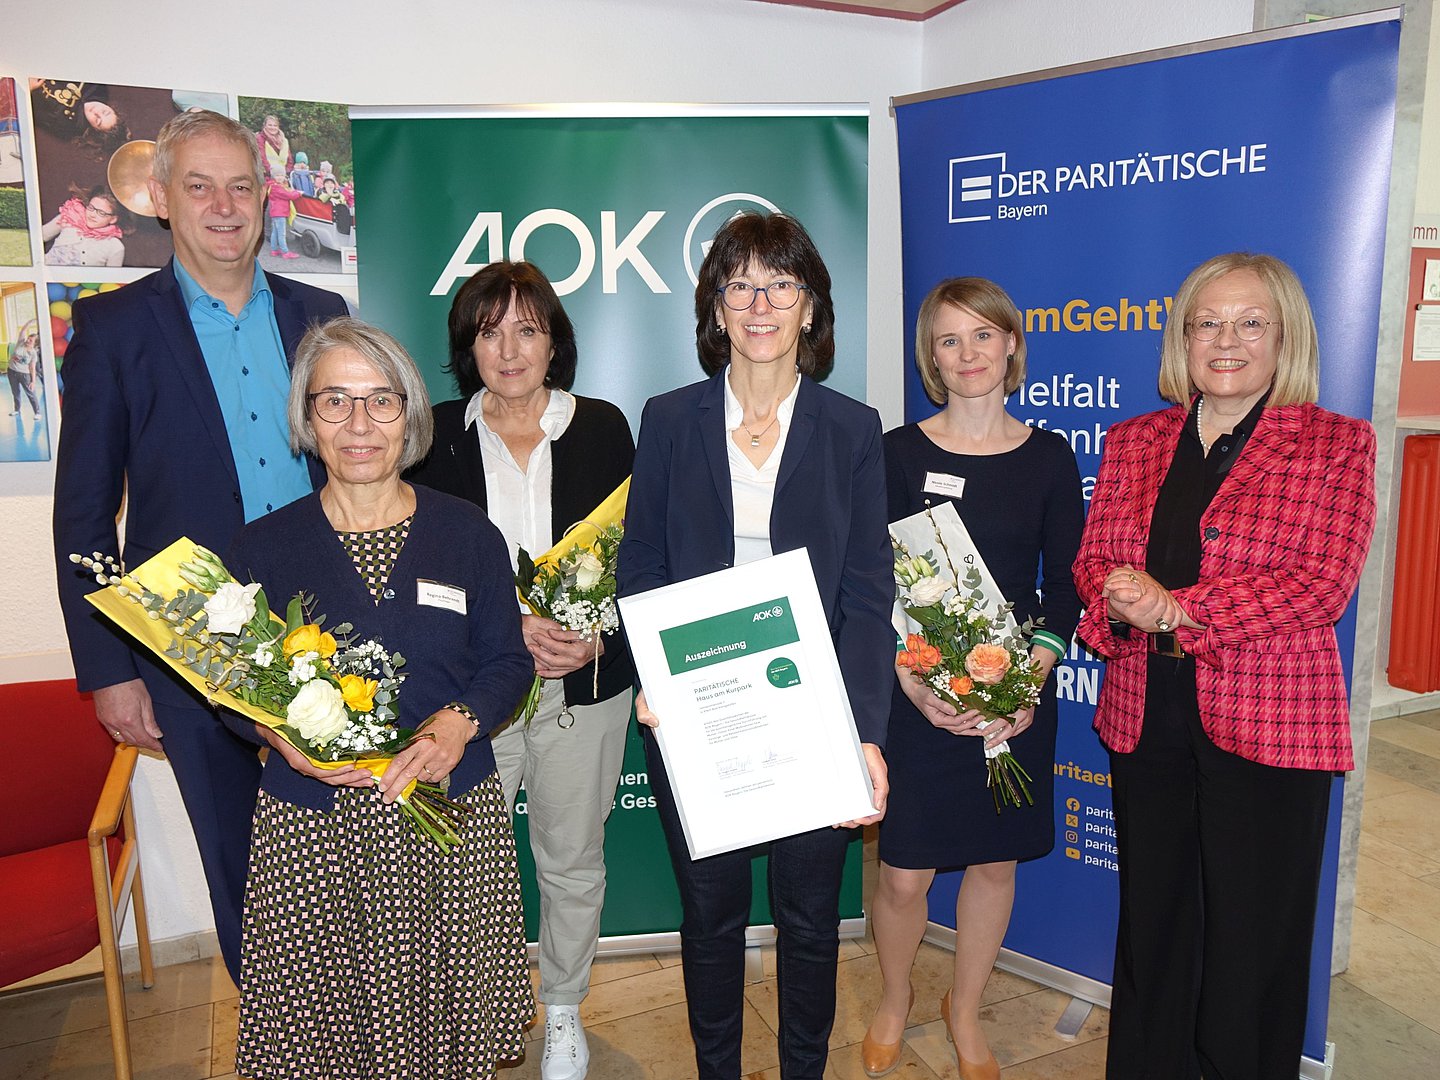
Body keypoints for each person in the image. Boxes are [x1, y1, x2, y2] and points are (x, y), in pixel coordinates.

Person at [52, 108, 348, 986]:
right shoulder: (113, 331)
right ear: (161, 199)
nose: (225, 206)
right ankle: (285, 1038)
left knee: (339, 863)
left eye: (241, 186)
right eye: (200, 186)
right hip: (188, 644)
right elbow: (83, 514)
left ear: (265, 200)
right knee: (242, 871)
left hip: (324, 629)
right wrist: (109, 669)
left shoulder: (320, 314)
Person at [1072, 252, 1377, 1080]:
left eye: (1250, 323)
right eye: (1207, 323)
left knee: (1252, 935)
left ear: (1287, 337)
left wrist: (1178, 609)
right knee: (1156, 923)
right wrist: (1116, 592)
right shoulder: (1135, 439)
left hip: (1271, 718)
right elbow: (1095, 558)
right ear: (1183, 338)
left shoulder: (1336, 444)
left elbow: (1322, 583)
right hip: (1148, 712)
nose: (1226, 340)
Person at [617, 210, 893, 1079]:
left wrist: (868, 733)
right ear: (715, 305)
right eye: (739, 284)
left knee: (811, 922)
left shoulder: (852, 428)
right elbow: (643, 562)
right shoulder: (667, 420)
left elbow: (865, 590)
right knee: (712, 919)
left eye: (780, 283)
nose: (760, 301)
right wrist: (650, 674)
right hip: (697, 714)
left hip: (813, 716)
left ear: (810, 306)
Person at [225, 316, 536, 1080]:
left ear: (411, 416)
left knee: (447, 1029)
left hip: (448, 820)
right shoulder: (261, 549)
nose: (359, 424)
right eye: (335, 401)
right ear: (306, 419)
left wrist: (459, 726)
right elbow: (229, 688)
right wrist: (277, 739)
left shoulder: (468, 536)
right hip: (315, 837)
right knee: (326, 1036)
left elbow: (506, 661)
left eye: (381, 401)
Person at [407, 261, 636, 1080]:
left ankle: (564, 1011)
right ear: (468, 346)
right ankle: (482, 1008)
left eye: (528, 329)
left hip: (587, 684)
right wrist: (506, 627)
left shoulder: (605, 428)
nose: (509, 348)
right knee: (466, 860)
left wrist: (599, 640)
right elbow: (416, 570)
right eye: (489, 330)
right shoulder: (431, 436)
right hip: (475, 693)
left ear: (553, 342)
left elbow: (639, 559)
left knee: (572, 856)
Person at [864, 278, 1083, 1080]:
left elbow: (1065, 586)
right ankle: (894, 997)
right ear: (932, 356)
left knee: (993, 864)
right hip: (916, 694)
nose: (968, 355)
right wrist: (910, 680)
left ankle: (964, 1007)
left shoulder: (1049, 458)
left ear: (1012, 346)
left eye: (983, 336)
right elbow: (868, 580)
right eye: (949, 340)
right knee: (903, 871)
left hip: (1013, 698)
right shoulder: (894, 453)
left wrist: (1029, 680)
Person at [29, 78, 130, 158]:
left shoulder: (65, 126)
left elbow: (29, 110)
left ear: (93, 129)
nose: (97, 112)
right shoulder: (98, 88)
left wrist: (29, 88)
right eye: (105, 112)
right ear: (111, 108)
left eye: (97, 121)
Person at [41, 185, 131, 267]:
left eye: (101, 213)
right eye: (91, 208)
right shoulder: (69, 217)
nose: (92, 215)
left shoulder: (115, 246)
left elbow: (112, 280)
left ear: (113, 219)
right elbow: (38, 237)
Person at [264, 165, 303, 259]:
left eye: (282, 175)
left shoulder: (274, 186)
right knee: (281, 233)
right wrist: (298, 193)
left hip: (275, 213)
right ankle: (285, 252)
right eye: (277, 175)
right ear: (273, 176)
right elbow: (289, 195)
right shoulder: (276, 188)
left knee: (275, 232)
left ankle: (274, 250)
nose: (280, 177)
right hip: (280, 213)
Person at [7, 326, 42, 420]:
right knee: (15, 392)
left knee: (30, 393)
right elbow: (22, 331)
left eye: (30, 340)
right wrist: (29, 323)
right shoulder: (20, 343)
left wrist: (33, 381)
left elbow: (32, 368)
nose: (27, 341)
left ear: (34, 344)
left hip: (24, 374)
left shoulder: (33, 354)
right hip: (11, 371)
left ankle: (37, 412)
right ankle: (17, 410)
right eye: (28, 339)